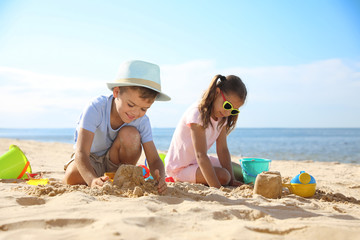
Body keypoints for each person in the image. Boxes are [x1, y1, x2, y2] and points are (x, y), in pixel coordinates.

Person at [63, 60, 170, 194]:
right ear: (116, 92)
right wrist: (91, 180)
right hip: (91, 158)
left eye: (144, 108)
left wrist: (160, 179)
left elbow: (154, 159)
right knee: (72, 176)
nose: (136, 113)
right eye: (130, 105)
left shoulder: (142, 121)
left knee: (131, 134)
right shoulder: (96, 108)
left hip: (118, 164)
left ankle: (122, 176)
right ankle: (98, 179)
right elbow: (81, 152)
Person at [165, 74, 247, 188]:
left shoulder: (222, 117)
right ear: (217, 92)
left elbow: (222, 149)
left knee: (238, 171)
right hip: (180, 168)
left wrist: (233, 180)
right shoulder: (197, 114)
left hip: (197, 162)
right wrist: (217, 188)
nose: (228, 113)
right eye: (227, 106)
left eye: (234, 111)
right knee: (224, 176)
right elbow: (201, 155)